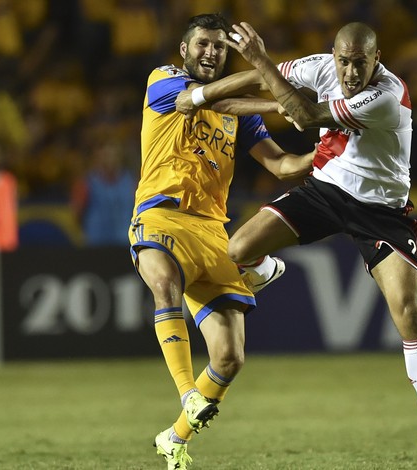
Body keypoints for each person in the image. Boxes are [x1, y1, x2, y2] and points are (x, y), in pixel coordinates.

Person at [177, 21, 417, 461]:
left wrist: (255, 68)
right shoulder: (321, 67)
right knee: (237, 251)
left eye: (360, 62)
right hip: (326, 190)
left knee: (408, 311)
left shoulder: (387, 96)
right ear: (333, 56)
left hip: (382, 211)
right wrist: (202, 96)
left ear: (377, 60)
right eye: (344, 61)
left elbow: (306, 114)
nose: (351, 72)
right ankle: (265, 270)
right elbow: (267, 78)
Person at [128, 14, 314, 470]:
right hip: (161, 213)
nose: (211, 52)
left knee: (230, 358)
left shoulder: (238, 118)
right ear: (184, 49)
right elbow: (201, 99)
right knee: (164, 284)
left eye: (219, 47)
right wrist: (279, 77)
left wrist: (328, 154)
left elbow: (283, 166)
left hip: (212, 231)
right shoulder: (163, 81)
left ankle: (174, 438)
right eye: (204, 44)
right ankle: (188, 392)